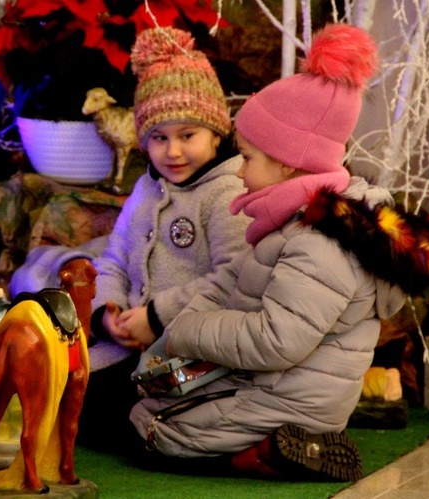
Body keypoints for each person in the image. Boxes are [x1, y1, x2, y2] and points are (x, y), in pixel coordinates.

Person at [129, 24, 429, 482]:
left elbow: (277, 340)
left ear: (289, 163)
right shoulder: (298, 224)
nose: (239, 172)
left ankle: (263, 453)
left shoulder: (322, 243)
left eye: (248, 158)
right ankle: (267, 449)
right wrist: (179, 320)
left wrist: (190, 330)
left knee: (150, 431)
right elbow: (235, 279)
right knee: (143, 401)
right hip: (273, 387)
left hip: (286, 399)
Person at [75, 26, 251, 447]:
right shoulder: (146, 188)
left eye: (187, 136)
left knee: (132, 413)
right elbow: (114, 256)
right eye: (158, 138)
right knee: (67, 390)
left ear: (216, 132)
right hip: (130, 348)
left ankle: (229, 438)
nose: (172, 152)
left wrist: (156, 317)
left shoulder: (227, 192)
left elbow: (235, 278)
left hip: (197, 356)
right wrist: (106, 313)